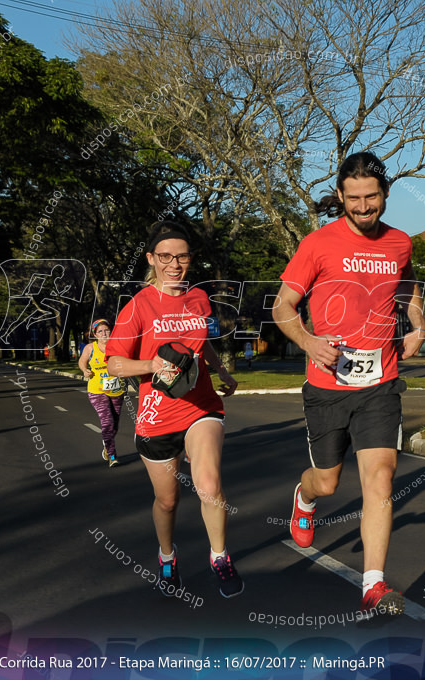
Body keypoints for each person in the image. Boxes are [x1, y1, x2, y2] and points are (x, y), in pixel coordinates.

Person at [272, 151, 425, 615]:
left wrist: (417, 324)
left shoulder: (400, 242)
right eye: (353, 198)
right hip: (327, 383)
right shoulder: (318, 243)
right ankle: (304, 497)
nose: (363, 207)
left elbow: (409, 285)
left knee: (381, 478)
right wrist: (308, 340)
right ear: (340, 196)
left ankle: (373, 586)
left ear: (384, 195)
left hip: (381, 381)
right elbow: (283, 306)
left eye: (371, 197)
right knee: (328, 481)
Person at [105, 222, 243, 599]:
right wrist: (151, 366)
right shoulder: (138, 306)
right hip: (156, 416)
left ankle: (219, 556)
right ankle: (168, 556)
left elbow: (199, 343)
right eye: (165, 256)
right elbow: (114, 363)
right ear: (151, 258)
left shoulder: (199, 298)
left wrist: (221, 370)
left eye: (182, 256)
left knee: (209, 485)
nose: (175, 264)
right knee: (168, 500)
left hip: (200, 406)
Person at [79, 319, 126, 468]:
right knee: (107, 422)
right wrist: (84, 370)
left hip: (116, 388)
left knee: (115, 425)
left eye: (106, 330)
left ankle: (107, 445)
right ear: (95, 334)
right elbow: (82, 361)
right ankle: (112, 455)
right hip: (96, 389)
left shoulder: (117, 346)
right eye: (100, 331)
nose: (104, 334)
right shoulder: (90, 348)